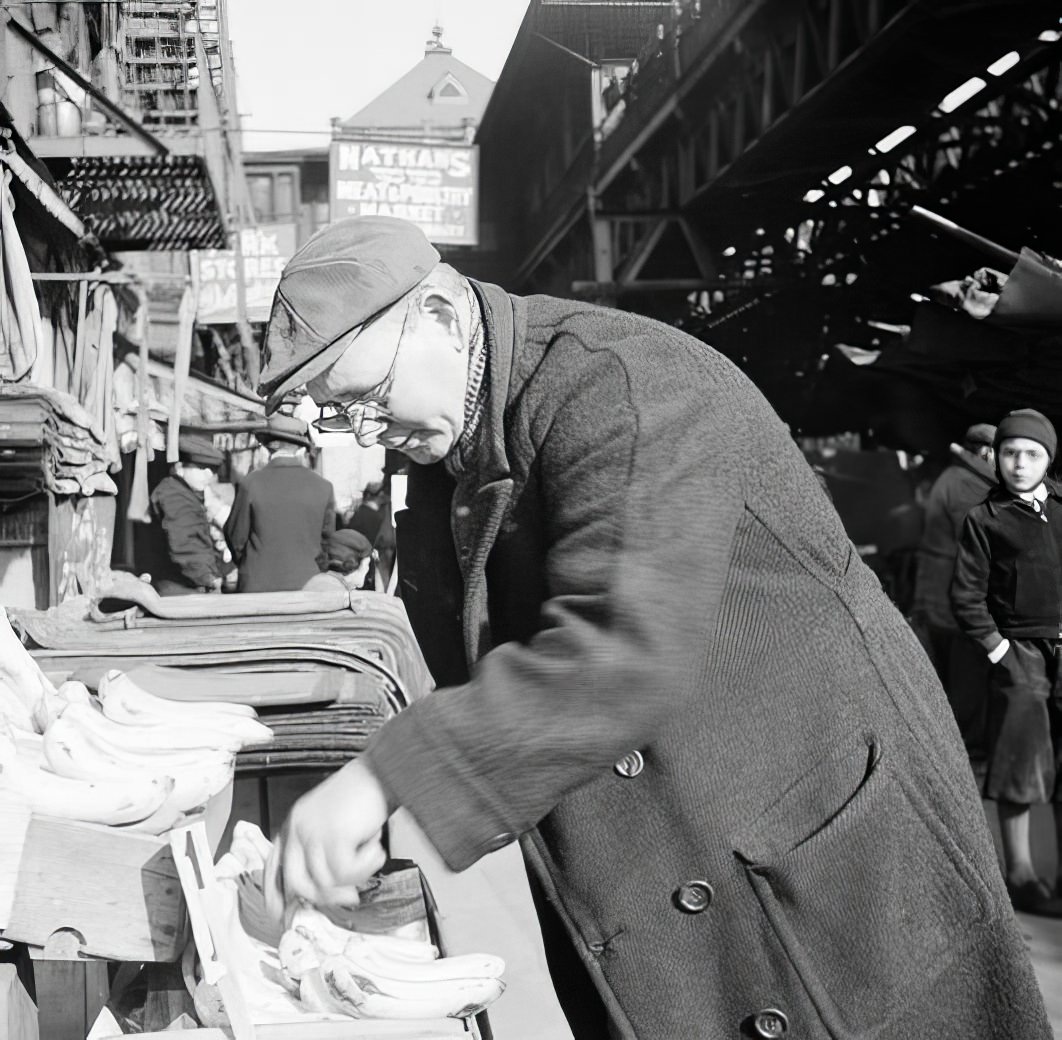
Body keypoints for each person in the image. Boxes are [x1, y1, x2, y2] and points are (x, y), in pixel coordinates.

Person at [258, 216, 1049, 1038]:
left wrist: (388, 776)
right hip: (658, 874)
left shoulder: (626, 382)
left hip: (829, 865)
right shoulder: (446, 464)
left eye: (368, 400)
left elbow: (619, 648)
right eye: (340, 419)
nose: (369, 431)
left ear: (442, 317)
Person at [951, 409, 1062, 917]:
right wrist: (1001, 652)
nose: (1020, 464)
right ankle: (1020, 875)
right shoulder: (985, 520)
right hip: (1021, 655)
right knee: (1019, 763)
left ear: (1048, 460)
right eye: (1011, 453)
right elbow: (967, 596)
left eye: (1032, 454)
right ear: (997, 459)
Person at [912, 422, 997, 754]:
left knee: (953, 676)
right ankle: (965, 752)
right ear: (987, 452)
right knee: (966, 678)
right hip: (955, 601)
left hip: (941, 596)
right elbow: (981, 539)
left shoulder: (955, 477)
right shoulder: (966, 485)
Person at [223, 414, 336, 593]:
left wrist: (250, 562)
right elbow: (328, 542)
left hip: (257, 587)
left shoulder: (250, 483)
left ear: (267, 448)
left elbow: (235, 536)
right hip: (307, 586)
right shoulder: (323, 487)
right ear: (300, 449)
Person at [146, 433, 227, 596]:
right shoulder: (174, 496)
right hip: (182, 589)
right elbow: (185, 544)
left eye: (212, 470)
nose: (209, 475)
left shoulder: (184, 492)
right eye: (202, 468)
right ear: (180, 467)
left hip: (186, 585)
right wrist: (209, 579)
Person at [303, 528, 375, 592]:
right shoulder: (343, 597)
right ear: (363, 564)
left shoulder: (314, 582)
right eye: (366, 567)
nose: (361, 584)